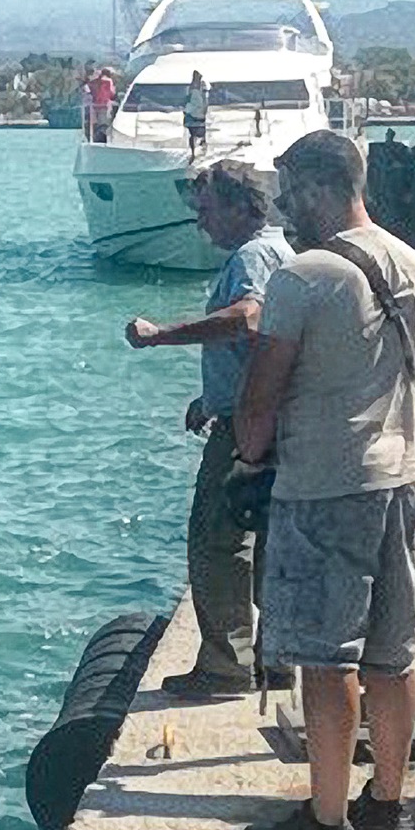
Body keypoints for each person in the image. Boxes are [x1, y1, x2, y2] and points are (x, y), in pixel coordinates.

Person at [232, 130, 415, 830]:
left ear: (319, 188)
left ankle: (324, 823)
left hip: (325, 485)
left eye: (290, 193)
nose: (285, 209)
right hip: (400, 478)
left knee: (327, 660)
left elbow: (259, 396)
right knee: (392, 654)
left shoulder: (304, 276)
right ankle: (387, 803)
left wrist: (245, 456)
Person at [123, 157, 294, 697]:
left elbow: (249, 319)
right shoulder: (274, 251)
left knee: (216, 542)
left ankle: (225, 665)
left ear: (243, 208)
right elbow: (258, 347)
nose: (202, 223)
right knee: (268, 542)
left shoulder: (253, 255)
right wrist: (210, 398)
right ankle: (276, 655)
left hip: (248, 429)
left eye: (208, 210)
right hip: (254, 414)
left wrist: (160, 336)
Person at [183, 70, 211, 157]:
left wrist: (192, 153)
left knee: (195, 95)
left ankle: (196, 79)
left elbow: (192, 138)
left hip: (194, 116)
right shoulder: (200, 136)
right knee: (196, 96)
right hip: (196, 117)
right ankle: (197, 80)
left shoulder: (195, 134)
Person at [88, 66, 118, 143]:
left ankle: (95, 138)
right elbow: (112, 93)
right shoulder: (109, 81)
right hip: (105, 105)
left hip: (94, 105)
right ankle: (103, 139)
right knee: (104, 122)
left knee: (96, 122)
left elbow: (89, 89)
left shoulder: (95, 82)